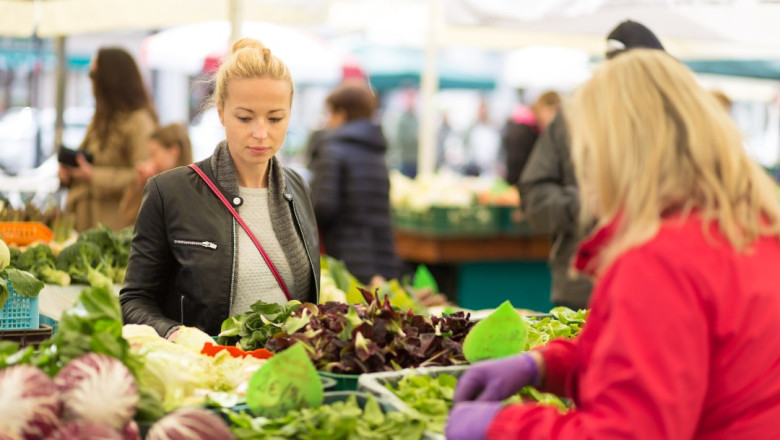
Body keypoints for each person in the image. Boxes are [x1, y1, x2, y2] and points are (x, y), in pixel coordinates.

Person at [447, 48, 780, 439]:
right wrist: (546, 365)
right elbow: (661, 363)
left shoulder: (659, 260)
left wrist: (502, 427)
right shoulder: (751, 228)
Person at [120, 38, 320, 339]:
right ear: (221, 112)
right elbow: (135, 301)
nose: (261, 133)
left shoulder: (297, 188)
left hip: (282, 372)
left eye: (275, 118)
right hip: (206, 374)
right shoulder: (169, 192)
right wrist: (176, 336)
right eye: (245, 117)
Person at [518, 20, 665, 310]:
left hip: (656, 290)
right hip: (582, 292)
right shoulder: (573, 118)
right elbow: (533, 196)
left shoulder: (675, 125)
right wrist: (585, 205)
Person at [309, 80, 401, 284]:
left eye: (329, 114)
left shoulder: (332, 150)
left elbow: (323, 206)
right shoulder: (376, 152)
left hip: (346, 256)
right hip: (381, 255)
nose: (327, 121)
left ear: (341, 115)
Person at [59, 47, 157, 232]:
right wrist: (69, 173)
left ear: (111, 79)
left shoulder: (139, 122)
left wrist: (93, 175)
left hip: (114, 233)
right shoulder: (101, 119)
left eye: (93, 75)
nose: (90, 82)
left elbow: (146, 177)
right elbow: (88, 160)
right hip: (84, 226)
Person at [118, 123, 193, 227]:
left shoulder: (189, 187)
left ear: (174, 151)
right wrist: (139, 186)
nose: (150, 161)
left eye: (153, 154)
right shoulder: (154, 184)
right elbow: (128, 217)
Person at [502, 91, 561, 186]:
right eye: (552, 111)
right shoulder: (523, 131)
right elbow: (517, 169)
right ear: (543, 107)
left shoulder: (529, 128)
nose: (553, 118)